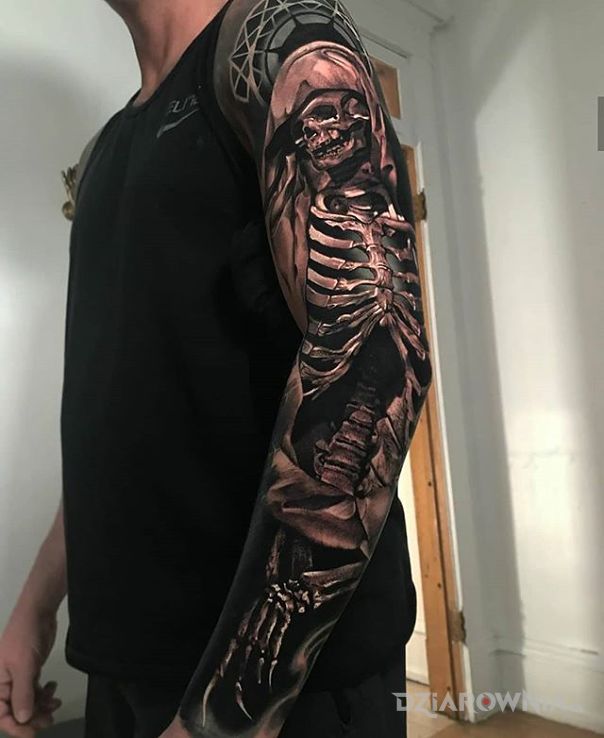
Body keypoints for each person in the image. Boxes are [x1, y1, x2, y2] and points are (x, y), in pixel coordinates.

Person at [0, 0, 433, 736]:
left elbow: (378, 356)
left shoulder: (282, 40)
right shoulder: (107, 148)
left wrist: (230, 713)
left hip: (276, 692)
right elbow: (122, 418)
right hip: (124, 665)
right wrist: (37, 604)